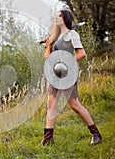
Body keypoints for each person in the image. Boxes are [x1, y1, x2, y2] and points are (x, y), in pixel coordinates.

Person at [41, 9, 102, 145]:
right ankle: (48, 139)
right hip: (55, 75)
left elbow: (81, 54)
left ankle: (95, 134)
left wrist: (67, 62)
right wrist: (48, 46)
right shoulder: (54, 37)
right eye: (55, 16)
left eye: (60, 15)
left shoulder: (72, 35)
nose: (56, 17)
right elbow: (48, 57)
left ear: (66, 18)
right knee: (51, 105)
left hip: (68, 74)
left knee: (74, 105)